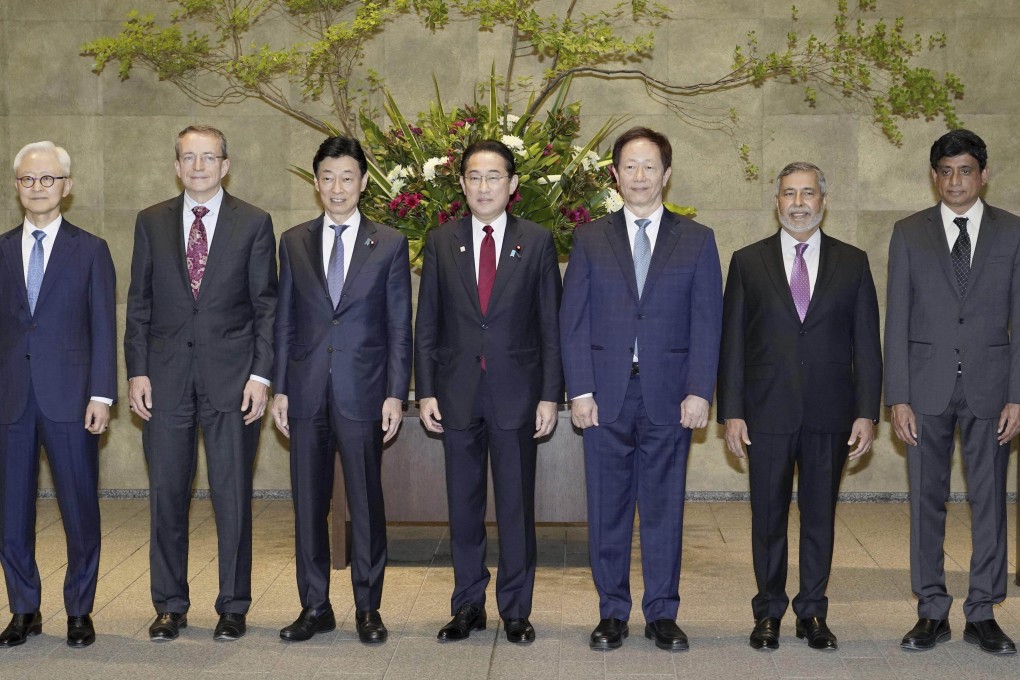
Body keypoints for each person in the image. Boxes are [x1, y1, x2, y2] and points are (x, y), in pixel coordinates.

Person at [560, 126, 722, 652]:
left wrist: (700, 391)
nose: (639, 176)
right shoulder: (590, 238)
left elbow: (707, 322)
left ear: (666, 175)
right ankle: (611, 612)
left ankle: (662, 613)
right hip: (604, 396)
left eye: (650, 166)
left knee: (663, 509)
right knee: (606, 509)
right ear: (615, 174)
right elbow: (573, 321)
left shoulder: (696, 239)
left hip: (670, 397)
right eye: (629, 166)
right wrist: (579, 390)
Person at [717, 162, 881, 652]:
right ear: (777, 202)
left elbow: (866, 343)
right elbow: (732, 344)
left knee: (819, 516)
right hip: (765, 413)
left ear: (823, 201)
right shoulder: (748, 262)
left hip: (831, 413)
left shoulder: (853, 262)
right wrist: (732, 411)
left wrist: (867, 411)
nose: (799, 203)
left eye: (808, 193)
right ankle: (768, 611)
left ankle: (812, 612)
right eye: (789, 194)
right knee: (767, 516)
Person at [124, 124, 278, 642]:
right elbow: (139, 303)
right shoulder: (150, 221)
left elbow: (266, 307)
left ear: (225, 165)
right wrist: (137, 370)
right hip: (164, 381)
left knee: (231, 497)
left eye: (208, 157)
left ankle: (233, 606)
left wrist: (261, 375)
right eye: (188, 157)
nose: (197, 166)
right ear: (176, 166)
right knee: (167, 495)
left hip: (233, 382)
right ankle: (170, 605)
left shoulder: (254, 222)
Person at [414, 139, 562, 644]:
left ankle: (516, 609)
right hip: (456, 393)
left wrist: (550, 395)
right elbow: (427, 323)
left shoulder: (536, 241)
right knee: (464, 506)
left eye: (494, 176)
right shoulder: (440, 241)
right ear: (461, 184)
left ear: (512, 184)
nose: (483, 186)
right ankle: (467, 605)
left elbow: (551, 325)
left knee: (516, 507)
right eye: (474, 177)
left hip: (517, 395)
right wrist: (425, 390)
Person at [271, 136, 412, 643]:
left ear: (364, 182)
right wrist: (280, 388)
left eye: (347, 177)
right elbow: (285, 321)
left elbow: (399, 325)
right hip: (306, 392)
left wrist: (396, 392)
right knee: (308, 505)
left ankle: (368, 608)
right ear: (316, 183)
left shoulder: (389, 243)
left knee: (365, 503)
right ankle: (315, 606)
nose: (337, 187)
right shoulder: (294, 241)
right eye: (328, 177)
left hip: (364, 392)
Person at [885, 129, 1020, 655]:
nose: (955, 181)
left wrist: (1017, 395)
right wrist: (898, 396)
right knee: (926, 500)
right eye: (945, 171)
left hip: (993, 389)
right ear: (933, 176)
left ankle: (983, 611)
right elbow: (897, 319)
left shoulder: (1013, 232)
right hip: (925, 389)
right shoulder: (908, 233)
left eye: (965, 171)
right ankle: (931, 610)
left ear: (983, 175)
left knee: (990, 502)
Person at [0, 142, 116, 649]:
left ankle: (79, 611)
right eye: (28, 179)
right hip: (11, 401)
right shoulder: (1, 249)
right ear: (17, 187)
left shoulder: (90, 250)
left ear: (66, 187)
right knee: (11, 514)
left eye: (48, 179)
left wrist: (102, 395)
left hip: (72, 400)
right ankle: (23, 609)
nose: (37, 187)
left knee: (80, 509)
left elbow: (103, 327)